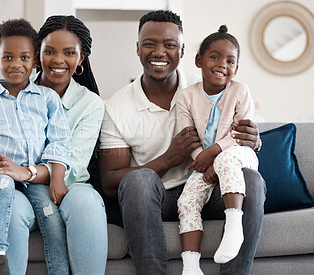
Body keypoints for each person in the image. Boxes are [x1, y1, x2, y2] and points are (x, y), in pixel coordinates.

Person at [99, 10, 265, 275]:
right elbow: (110, 183)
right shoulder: (118, 107)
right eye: (150, 44)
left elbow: (238, 134)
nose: (159, 52)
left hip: (209, 190)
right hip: (157, 198)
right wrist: (168, 159)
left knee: (252, 181)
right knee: (138, 181)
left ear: (184, 50)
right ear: (138, 48)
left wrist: (253, 140)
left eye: (170, 44)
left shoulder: (209, 83)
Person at [0, 15, 107, 275]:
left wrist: (24, 171)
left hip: (67, 187)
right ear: (40, 55)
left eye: (69, 53)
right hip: (13, 187)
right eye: (49, 51)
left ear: (80, 59)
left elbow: (72, 160)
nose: (58, 60)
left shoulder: (87, 103)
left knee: (86, 204)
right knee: (10, 205)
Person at [176, 25, 259, 275]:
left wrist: (212, 152)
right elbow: (187, 137)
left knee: (227, 160)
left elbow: (240, 134)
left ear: (236, 67)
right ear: (199, 60)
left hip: (240, 157)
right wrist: (204, 161)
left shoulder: (240, 91)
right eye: (214, 57)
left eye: (230, 60)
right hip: (204, 164)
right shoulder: (185, 97)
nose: (222, 64)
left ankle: (234, 226)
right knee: (186, 200)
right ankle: (190, 266)